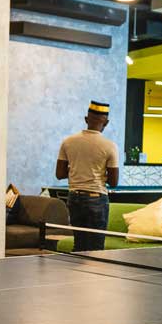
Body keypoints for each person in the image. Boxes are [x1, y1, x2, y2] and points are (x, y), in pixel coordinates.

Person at [56, 101, 119, 252]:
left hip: (74, 198)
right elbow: (113, 181)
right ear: (106, 122)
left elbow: (59, 174)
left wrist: (77, 170)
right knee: (96, 249)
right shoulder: (110, 146)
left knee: (79, 245)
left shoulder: (68, 142)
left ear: (86, 119)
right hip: (96, 197)